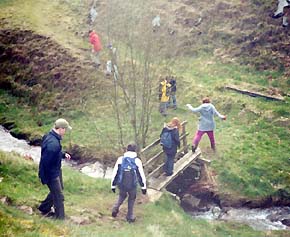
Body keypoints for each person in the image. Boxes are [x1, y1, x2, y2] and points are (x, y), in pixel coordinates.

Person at [38, 118, 72, 220]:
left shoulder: (50, 137)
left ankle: (44, 208)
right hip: (51, 174)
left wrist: (62, 154)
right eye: (65, 129)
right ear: (60, 129)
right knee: (59, 196)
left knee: (58, 190)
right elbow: (47, 162)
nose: (65, 131)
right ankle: (60, 219)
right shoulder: (53, 144)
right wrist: (52, 177)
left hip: (55, 171)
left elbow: (54, 154)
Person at [111, 142, 147, 223]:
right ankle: (130, 216)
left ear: (126, 150)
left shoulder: (120, 159)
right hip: (132, 185)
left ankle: (115, 208)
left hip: (121, 183)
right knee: (131, 198)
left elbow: (115, 173)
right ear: (135, 151)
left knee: (121, 195)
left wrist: (113, 185)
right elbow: (141, 175)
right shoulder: (137, 161)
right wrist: (143, 187)